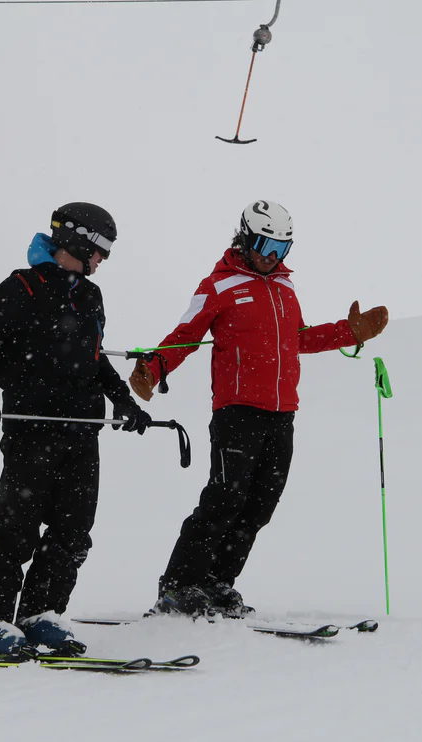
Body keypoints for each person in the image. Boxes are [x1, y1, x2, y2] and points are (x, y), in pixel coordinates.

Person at [129, 200, 388, 617]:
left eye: (283, 249)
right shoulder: (220, 285)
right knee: (224, 499)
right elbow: (186, 334)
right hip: (237, 412)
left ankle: (216, 583)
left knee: (260, 504)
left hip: (282, 413)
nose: (273, 257)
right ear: (246, 238)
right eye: (266, 245)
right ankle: (179, 585)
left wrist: (348, 332)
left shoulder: (286, 289)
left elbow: (298, 338)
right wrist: (153, 368)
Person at [0, 202, 152, 655]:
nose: (104, 258)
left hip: (82, 430)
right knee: (16, 530)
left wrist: (122, 400)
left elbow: (95, 359)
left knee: (73, 531)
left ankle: (40, 614)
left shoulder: (90, 296)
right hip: (33, 429)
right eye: (101, 247)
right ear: (77, 240)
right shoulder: (22, 286)